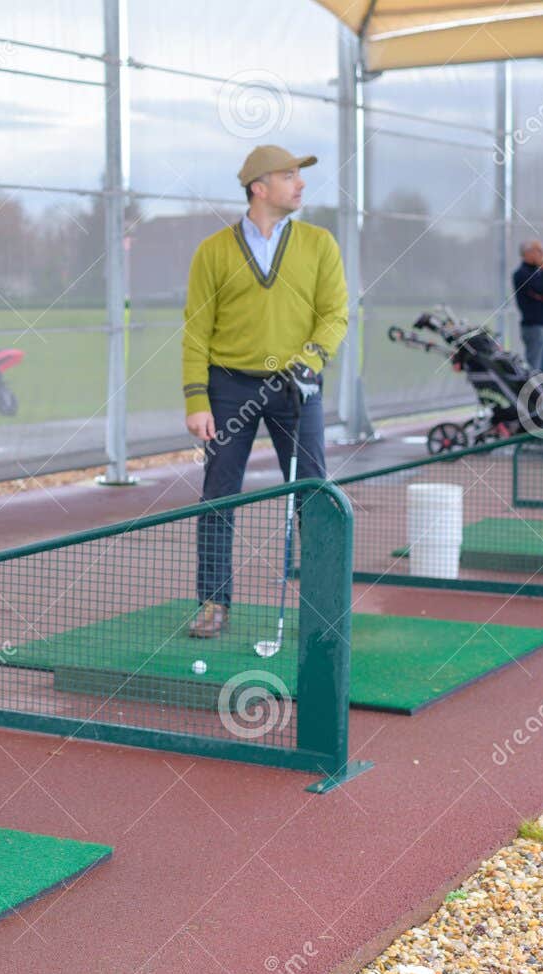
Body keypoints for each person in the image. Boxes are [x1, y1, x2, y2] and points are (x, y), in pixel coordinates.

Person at [181, 145, 349, 640]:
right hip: (228, 387)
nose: (300, 184)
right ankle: (214, 604)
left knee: (313, 495)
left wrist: (310, 361)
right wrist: (196, 400)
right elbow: (196, 330)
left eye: (299, 175)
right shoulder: (212, 251)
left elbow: (335, 314)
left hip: (298, 386)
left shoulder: (320, 244)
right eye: (289, 176)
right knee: (217, 496)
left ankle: (324, 604)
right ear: (259, 187)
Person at [513, 240, 543, 374]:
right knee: (534, 368)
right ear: (527, 253)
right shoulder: (522, 274)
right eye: (538, 250)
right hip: (534, 327)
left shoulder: (538, 273)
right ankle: (531, 394)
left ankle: (542, 394)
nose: (542, 254)